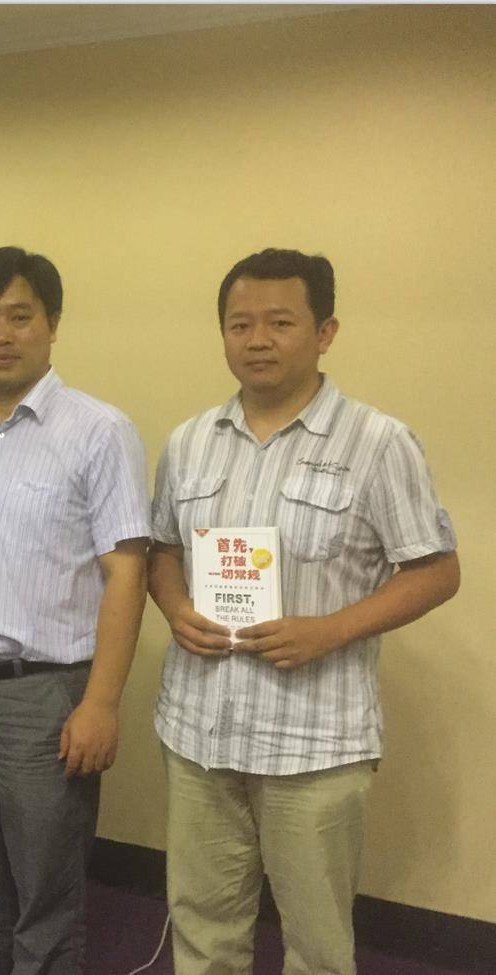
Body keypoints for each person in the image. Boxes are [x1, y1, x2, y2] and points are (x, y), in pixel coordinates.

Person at [148, 248, 460, 975]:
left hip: (312, 742)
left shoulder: (377, 442)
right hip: (198, 729)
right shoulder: (189, 441)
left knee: (317, 945)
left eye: (280, 322)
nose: (257, 340)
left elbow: (436, 569)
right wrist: (174, 605)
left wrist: (330, 629)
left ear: (324, 333)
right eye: (239, 324)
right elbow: (162, 549)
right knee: (202, 929)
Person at [0, 247, 150, 975]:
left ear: (52, 324)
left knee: (45, 888)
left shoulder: (98, 429)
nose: (0, 333)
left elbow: (127, 572)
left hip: (46, 694)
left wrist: (101, 703)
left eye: (19, 316)